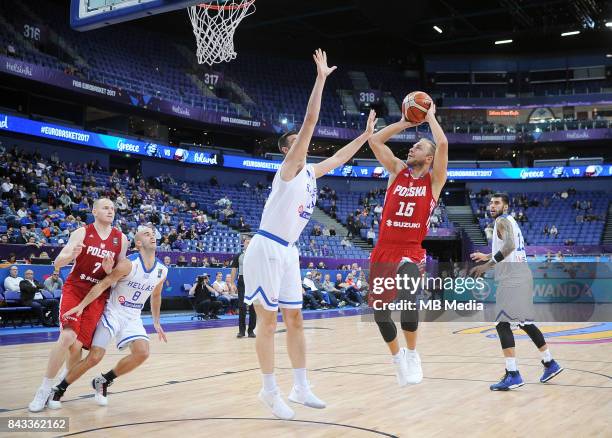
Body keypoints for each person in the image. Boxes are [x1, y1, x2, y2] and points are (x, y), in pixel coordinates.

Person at [243, 49, 377, 420]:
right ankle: (268, 390)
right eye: (298, 142)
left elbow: (338, 160)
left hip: (288, 251)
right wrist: (321, 79)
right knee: (267, 323)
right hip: (266, 246)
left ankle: (301, 386)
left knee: (296, 320)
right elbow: (310, 121)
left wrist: (365, 136)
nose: (305, 144)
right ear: (288, 150)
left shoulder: (310, 174)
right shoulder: (288, 169)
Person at [367, 102, 448, 387]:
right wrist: (405, 122)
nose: (411, 149)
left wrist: (430, 118)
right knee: (380, 314)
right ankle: (398, 357)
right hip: (383, 249)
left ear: (429, 158)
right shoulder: (397, 171)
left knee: (409, 303)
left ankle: (413, 354)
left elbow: (442, 141)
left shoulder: (434, 182)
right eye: (412, 146)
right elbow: (375, 140)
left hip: (411, 251)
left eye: (418, 147)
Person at [28, 198, 128, 412]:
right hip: (75, 289)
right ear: (94, 211)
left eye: (113, 208)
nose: (110, 211)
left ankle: (59, 386)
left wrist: (110, 271)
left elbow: (118, 275)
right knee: (67, 337)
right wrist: (71, 256)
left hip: (98, 295)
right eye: (106, 208)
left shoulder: (121, 239)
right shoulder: (82, 233)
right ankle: (44, 389)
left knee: (77, 348)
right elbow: (57, 263)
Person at [50, 228, 168, 407]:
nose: (152, 236)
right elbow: (103, 284)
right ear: (137, 243)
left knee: (142, 353)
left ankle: (104, 380)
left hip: (133, 316)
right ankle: (60, 388)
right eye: (146, 234)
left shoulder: (162, 269)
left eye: (153, 234)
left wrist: (156, 321)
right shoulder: (128, 264)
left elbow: (156, 295)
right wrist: (81, 306)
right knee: (95, 357)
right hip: (112, 312)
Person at [470, 193, 563, 391]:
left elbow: (510, 246)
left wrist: (487, 265)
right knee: (525, 322)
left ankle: (513, 374)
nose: (492, 206)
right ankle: (550, 362)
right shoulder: (510, 221)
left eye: (497, 203)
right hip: (522, 274)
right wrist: (486, 255)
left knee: (502, 323)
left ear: (505, 207)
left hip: (512, 278)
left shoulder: (502, 221)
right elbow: (510, 247)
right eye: (491, 203)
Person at [231, 235, 256, 338]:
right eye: (247, 242)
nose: (249, 244)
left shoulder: (257, 256)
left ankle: (251, 331)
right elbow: (234, 269)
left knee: (253, 307)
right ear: (244, 244)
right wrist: (232, 283)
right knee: (241, 306)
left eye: (251, 242)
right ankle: (241, 331)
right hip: (242, 280)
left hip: (254, 281)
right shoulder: (238, 255)